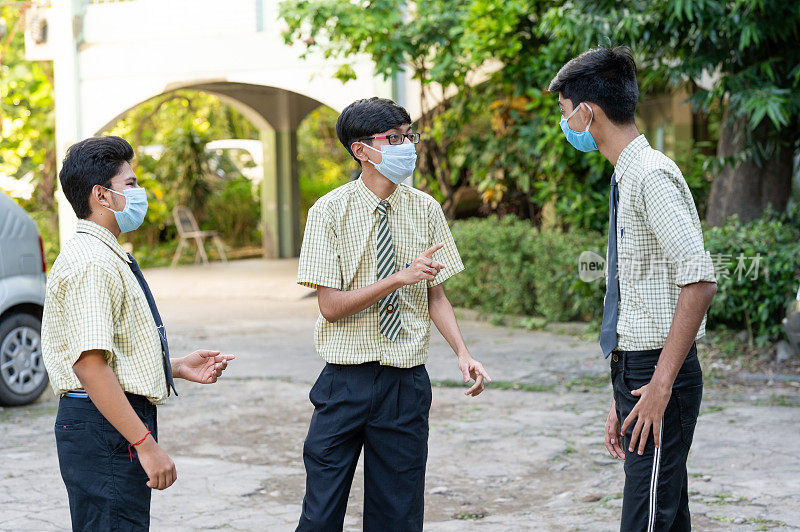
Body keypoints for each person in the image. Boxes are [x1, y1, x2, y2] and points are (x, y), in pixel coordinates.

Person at [295, 97, 491, 531]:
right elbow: (330, 307)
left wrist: (462, 352)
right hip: (345, 381)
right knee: (321, 514)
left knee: (398, 517)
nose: (408, 146)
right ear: (361, 150)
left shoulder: (425, 209)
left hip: (406, 382)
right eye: (395, 138)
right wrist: (397, 279)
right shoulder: (328, 212)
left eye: (409, 136)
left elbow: (435, 296)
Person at [549, 47, 717, 531]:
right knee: (666, 512)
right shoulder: (629, 174)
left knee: (645, 518)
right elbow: (642, 293)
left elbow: (700, 279)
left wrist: (659, 386)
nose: (565, 123)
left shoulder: (650, 176)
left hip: (657, 371)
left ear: (587, 113)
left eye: (565, 112)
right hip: (638, 368)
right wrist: (622, 395)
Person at [41, 136, 235, 531]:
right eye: (130, 184)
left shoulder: (105, 253)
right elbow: (90, 366)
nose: (139, 192)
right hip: (104, 425)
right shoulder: (91, 263)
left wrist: (175, 366)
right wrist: (144, 445)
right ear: (102, 195)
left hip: (108, 420)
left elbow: (108, 355)